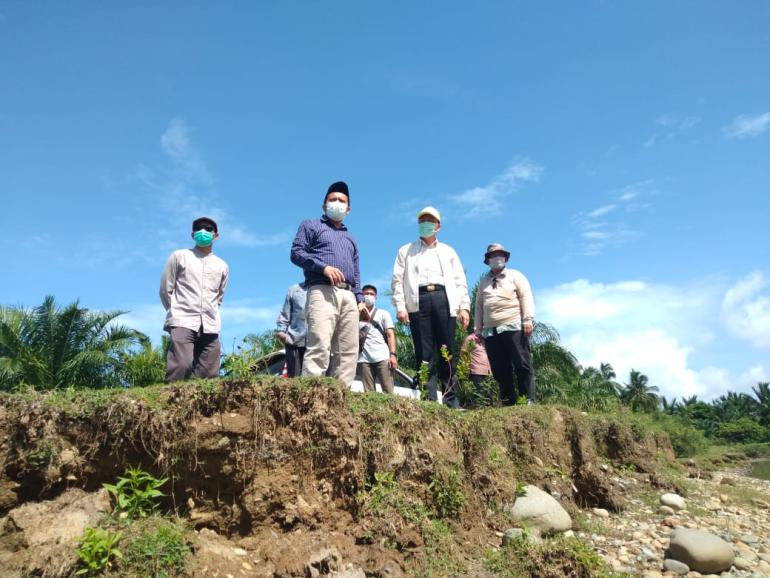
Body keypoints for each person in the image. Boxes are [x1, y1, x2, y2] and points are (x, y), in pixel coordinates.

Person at [290, 181, 368, 386]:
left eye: (342, 201)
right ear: (324, 206)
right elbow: (297, 253)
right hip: (322, 290)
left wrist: (360, 299)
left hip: (349, 296)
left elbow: (356, 271)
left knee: (348, 352)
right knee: (319, 345)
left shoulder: (350, 238)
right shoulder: (311, 225)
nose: (337, 203)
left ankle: (340, 398)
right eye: (332, 200)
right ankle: (308, 400)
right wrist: (322, 267)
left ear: (348, 209)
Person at [391, 206, 470, 407]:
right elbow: (397, 280)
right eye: (422, 220)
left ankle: (451, 399)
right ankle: (429, 399)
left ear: (438, 226)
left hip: (444, 299)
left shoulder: (448, 251)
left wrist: (464, 307)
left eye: (430, 220)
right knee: (423, 352)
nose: (425, 224)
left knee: (446, 351)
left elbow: (460, 281)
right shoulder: (405, 251)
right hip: (419, 301)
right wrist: (401, 306)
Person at [160, 216, 229, 382]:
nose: (203, 231)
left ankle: (204, 407)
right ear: (192, 234)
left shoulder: (222, 265)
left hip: (210, 324)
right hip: (183, 320)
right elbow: (165, 289)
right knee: (181, 366)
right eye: (199, 228)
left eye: (208, 228)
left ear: (216, 235)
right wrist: (175, 311)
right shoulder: (179, 256)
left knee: (209, 373)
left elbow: (219, 296)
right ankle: (172, 404)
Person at [474, 243, 535, 405]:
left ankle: (527, 398)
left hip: (513, 325)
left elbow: (526, 296)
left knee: (522, 363)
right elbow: (479, 306)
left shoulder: (515, 276)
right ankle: (509, 401)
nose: (497, 258)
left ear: (505, 258)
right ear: (488, 260)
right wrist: (477, 330)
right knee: (500, 369)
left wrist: (527, 319)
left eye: (500, 254)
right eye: (493, 255)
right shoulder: (484, 282)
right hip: (490, 331)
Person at [357, 284, 398, 393]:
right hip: (363, 358)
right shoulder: (355, 314)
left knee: (388, 391)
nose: (368, 296)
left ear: (376, 297)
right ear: (361, 296)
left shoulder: (383, 313)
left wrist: (393, 355)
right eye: (366, 294)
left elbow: (390, 334)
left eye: (371, 294)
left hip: (382, 357)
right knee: (369, 394)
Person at [275, 282, 308, 377]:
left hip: (317, 345)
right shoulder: (294, 289)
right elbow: (285, 313)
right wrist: (282, 332)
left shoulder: (325, 290)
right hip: (294, 342)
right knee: (295, 380)